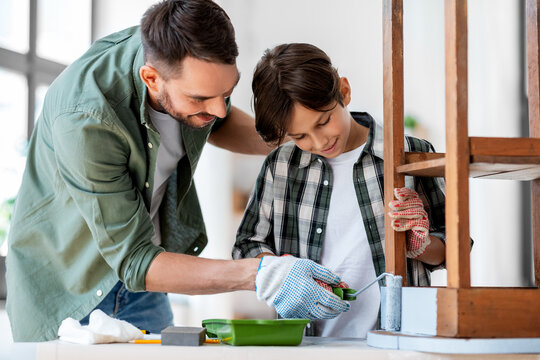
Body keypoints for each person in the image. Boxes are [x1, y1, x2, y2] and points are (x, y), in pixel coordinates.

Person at [6, 2, 349, 342]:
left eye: (226, 93)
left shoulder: (178, 57)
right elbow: (136, 260)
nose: (217, 110)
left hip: (144, 280)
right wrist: (263, 274)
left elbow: (220, 120)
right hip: (69, 293)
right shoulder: (85, 119)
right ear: (150, 78)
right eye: (201, 99)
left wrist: (303, 135)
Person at [233, 43, 447, 338]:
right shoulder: (280, 166)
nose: (319, 142)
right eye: (299, 136)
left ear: (344, 92)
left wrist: (420, 245)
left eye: (323, 122)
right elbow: (246, 246)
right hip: (306, 344)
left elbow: (454, 249)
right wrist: (283, 272)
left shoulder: (412, 155)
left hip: (401, 340)